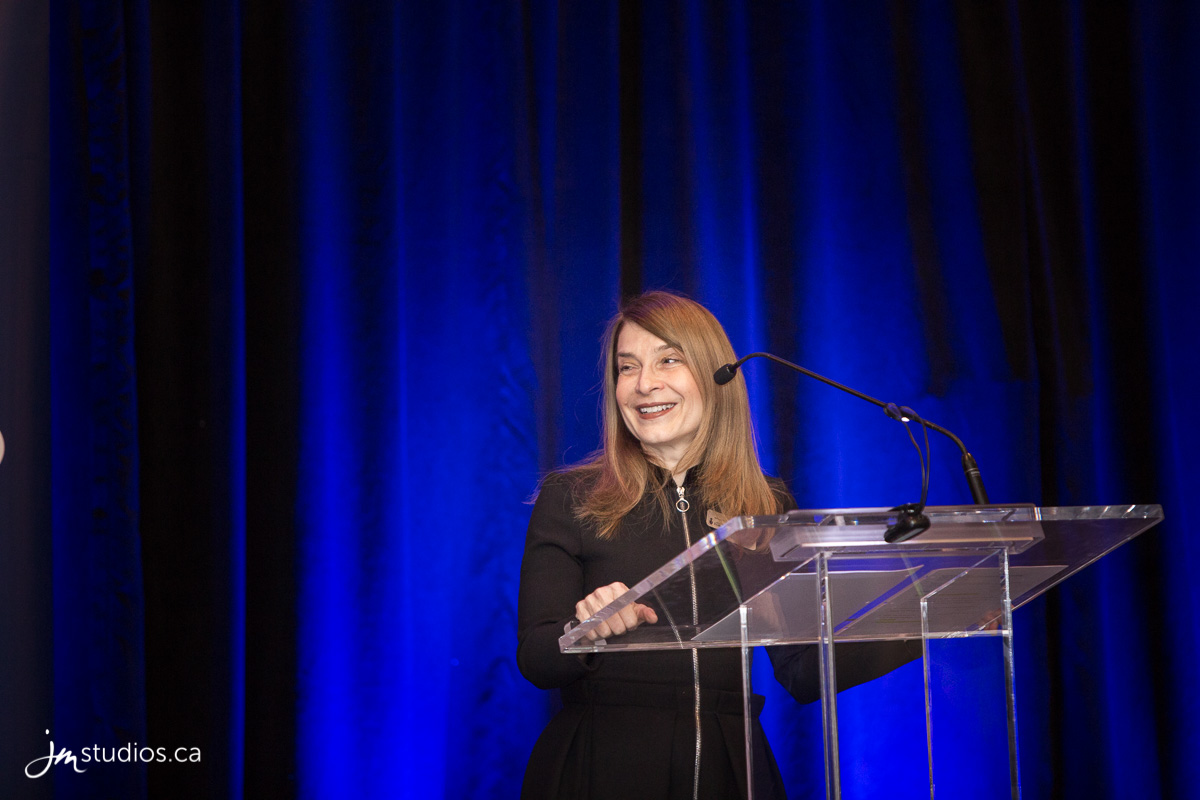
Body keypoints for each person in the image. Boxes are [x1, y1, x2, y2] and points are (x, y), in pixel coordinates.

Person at [517, 291, 913, 799]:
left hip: (732, 768)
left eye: (668, 360)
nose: (644, 383)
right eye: (627, 367)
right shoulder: (572, 498)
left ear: (715, 375)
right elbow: (536, 658)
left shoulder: (764, 503)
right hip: (606, 765)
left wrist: (916, 620)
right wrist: (585, 631)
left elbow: (801, 670)